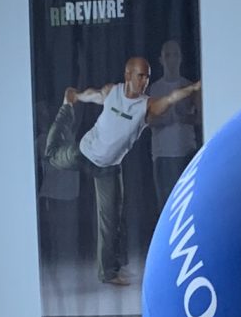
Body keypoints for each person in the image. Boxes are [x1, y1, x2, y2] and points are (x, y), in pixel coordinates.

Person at [70, 55, 202, 290]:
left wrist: (193, 87)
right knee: (55, 156)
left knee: (111, 218)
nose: (145, 81)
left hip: (109, 166)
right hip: (84, 152)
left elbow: (171, 98)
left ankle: (109, 271)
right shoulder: (112, 92)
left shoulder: (147, 105)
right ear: (128, 75)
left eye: (148, 77)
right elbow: (93, 95)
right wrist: (76, 96)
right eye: (141, 75)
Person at [146, 38, 201, 219]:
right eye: (167, 55)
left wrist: (183, 116)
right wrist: (167, 117)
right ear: (161, 59)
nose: (172, 59)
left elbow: (201, 118)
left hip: (186, 154)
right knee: (166, 208)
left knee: (189, 206)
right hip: (163, 156)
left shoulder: (189, 87)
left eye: (175, 54)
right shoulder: (155, 89)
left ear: (181, 58)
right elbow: (148, 120)